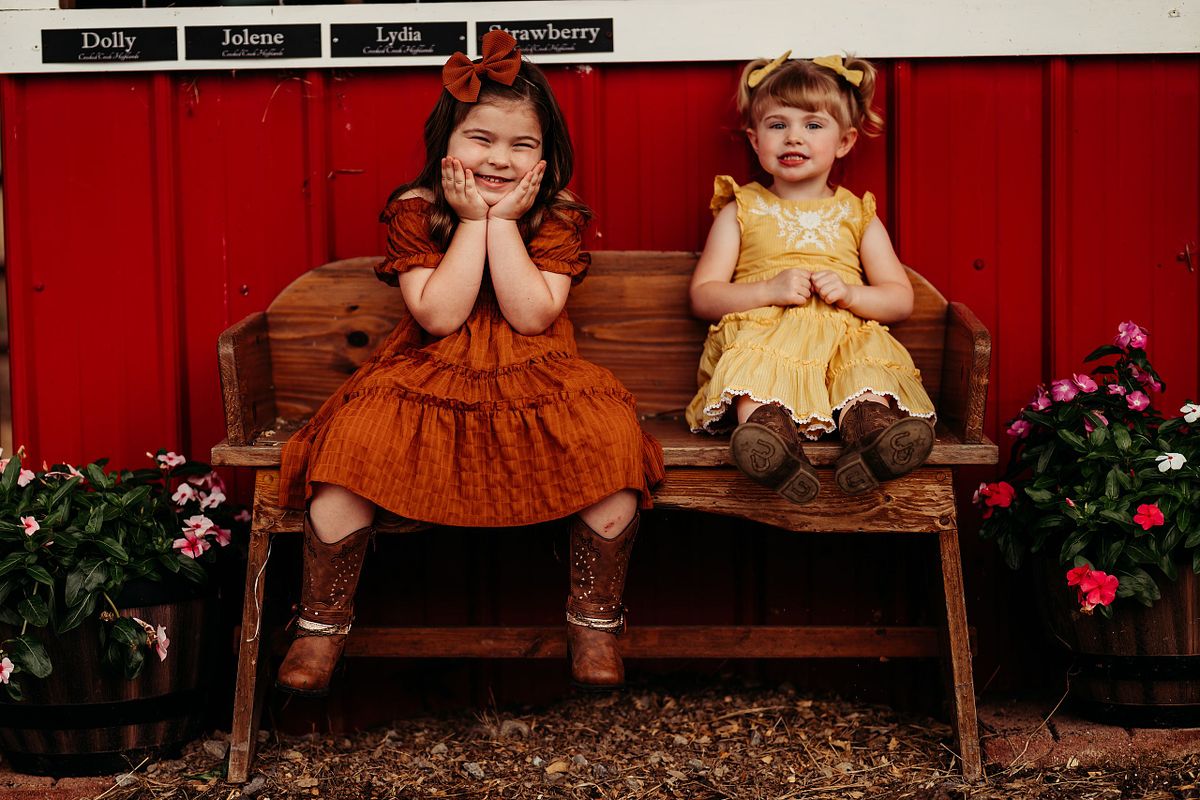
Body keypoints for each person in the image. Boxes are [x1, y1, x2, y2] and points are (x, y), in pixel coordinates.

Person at [275, 30, 664, 695]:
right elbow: (439, 315)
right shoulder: (418, 209)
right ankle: (320, 625)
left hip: (537, 369)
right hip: (432, 368)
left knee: (610, 442)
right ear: (445, 142)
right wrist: (472, 222)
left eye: (522, 145)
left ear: (546, 154)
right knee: (352, 445)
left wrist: (503, 223)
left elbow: (532, 315)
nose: (500, 159)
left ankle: (595, 622)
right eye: (481, 139)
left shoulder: (555, 214)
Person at [685, 51, 935, 503]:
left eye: (813, 125)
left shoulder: (856, 214)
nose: (794, 137)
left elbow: (899, 299)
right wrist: (768, 289)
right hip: (767, 334)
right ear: (755, 139)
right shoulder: (741, 209)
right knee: (757, 376)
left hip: (842, 338)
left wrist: (851, 293)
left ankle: (873, 440)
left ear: (845, 141)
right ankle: (771, 446)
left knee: (865, 374)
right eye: (778, 125)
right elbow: (703, 296)